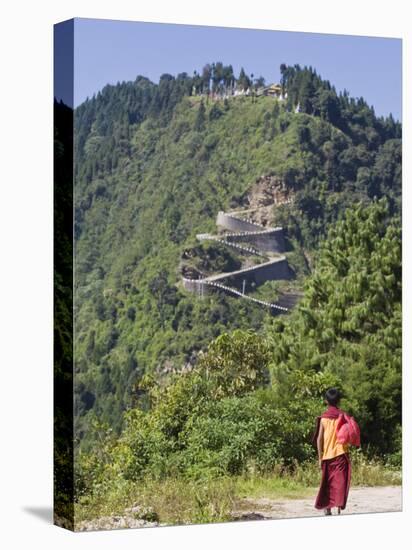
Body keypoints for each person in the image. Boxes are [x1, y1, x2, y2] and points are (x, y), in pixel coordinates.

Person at [312, 388, 351, 516]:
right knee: (339, 482)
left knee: (327, 483)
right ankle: (338, 505)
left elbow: (319, 439)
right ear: (339, 401)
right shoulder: (343, 417)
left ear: (326, 401)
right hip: (340, 454)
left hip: (327, 456)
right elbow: (349, 435)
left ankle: (327, 508)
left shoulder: (324, 419)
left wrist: (320, 457)